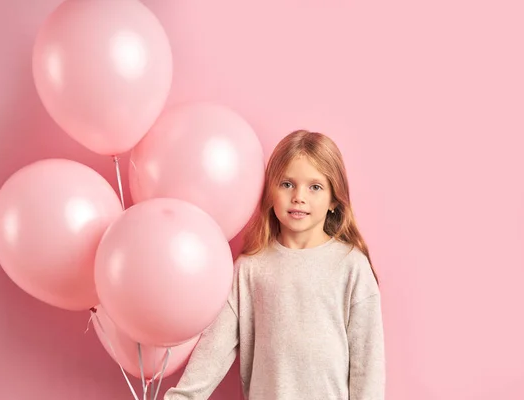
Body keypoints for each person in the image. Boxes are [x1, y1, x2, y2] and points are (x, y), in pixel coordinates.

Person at [164, 130, 385, 400]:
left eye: (314, 187)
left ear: (334, 200)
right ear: (271, 191)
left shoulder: (351, 267)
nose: (299, 197)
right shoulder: (249, 268)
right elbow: (213, 352)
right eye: (287, 184)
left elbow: (368, 368)